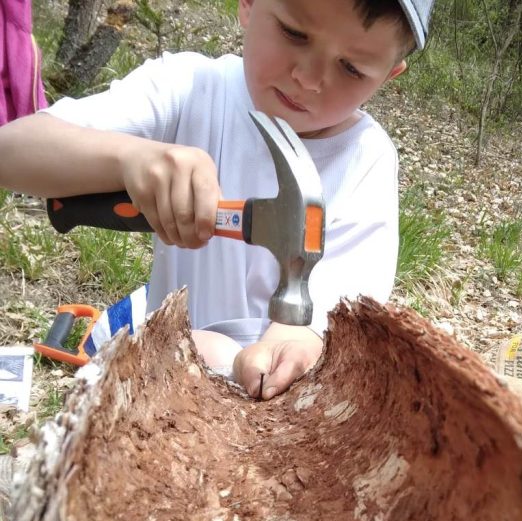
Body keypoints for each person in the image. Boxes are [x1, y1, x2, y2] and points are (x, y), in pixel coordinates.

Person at [0, 0, 434, 399]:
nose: (308, 78)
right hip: (164, 386)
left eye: (352, 69)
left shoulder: (367, 161)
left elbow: (331, 327)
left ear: (388, 75)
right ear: (249, 4)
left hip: (278, 408)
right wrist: (128, 158)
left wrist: (285, 348)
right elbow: (11, 152)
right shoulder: (189, 89)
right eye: (294, 33)